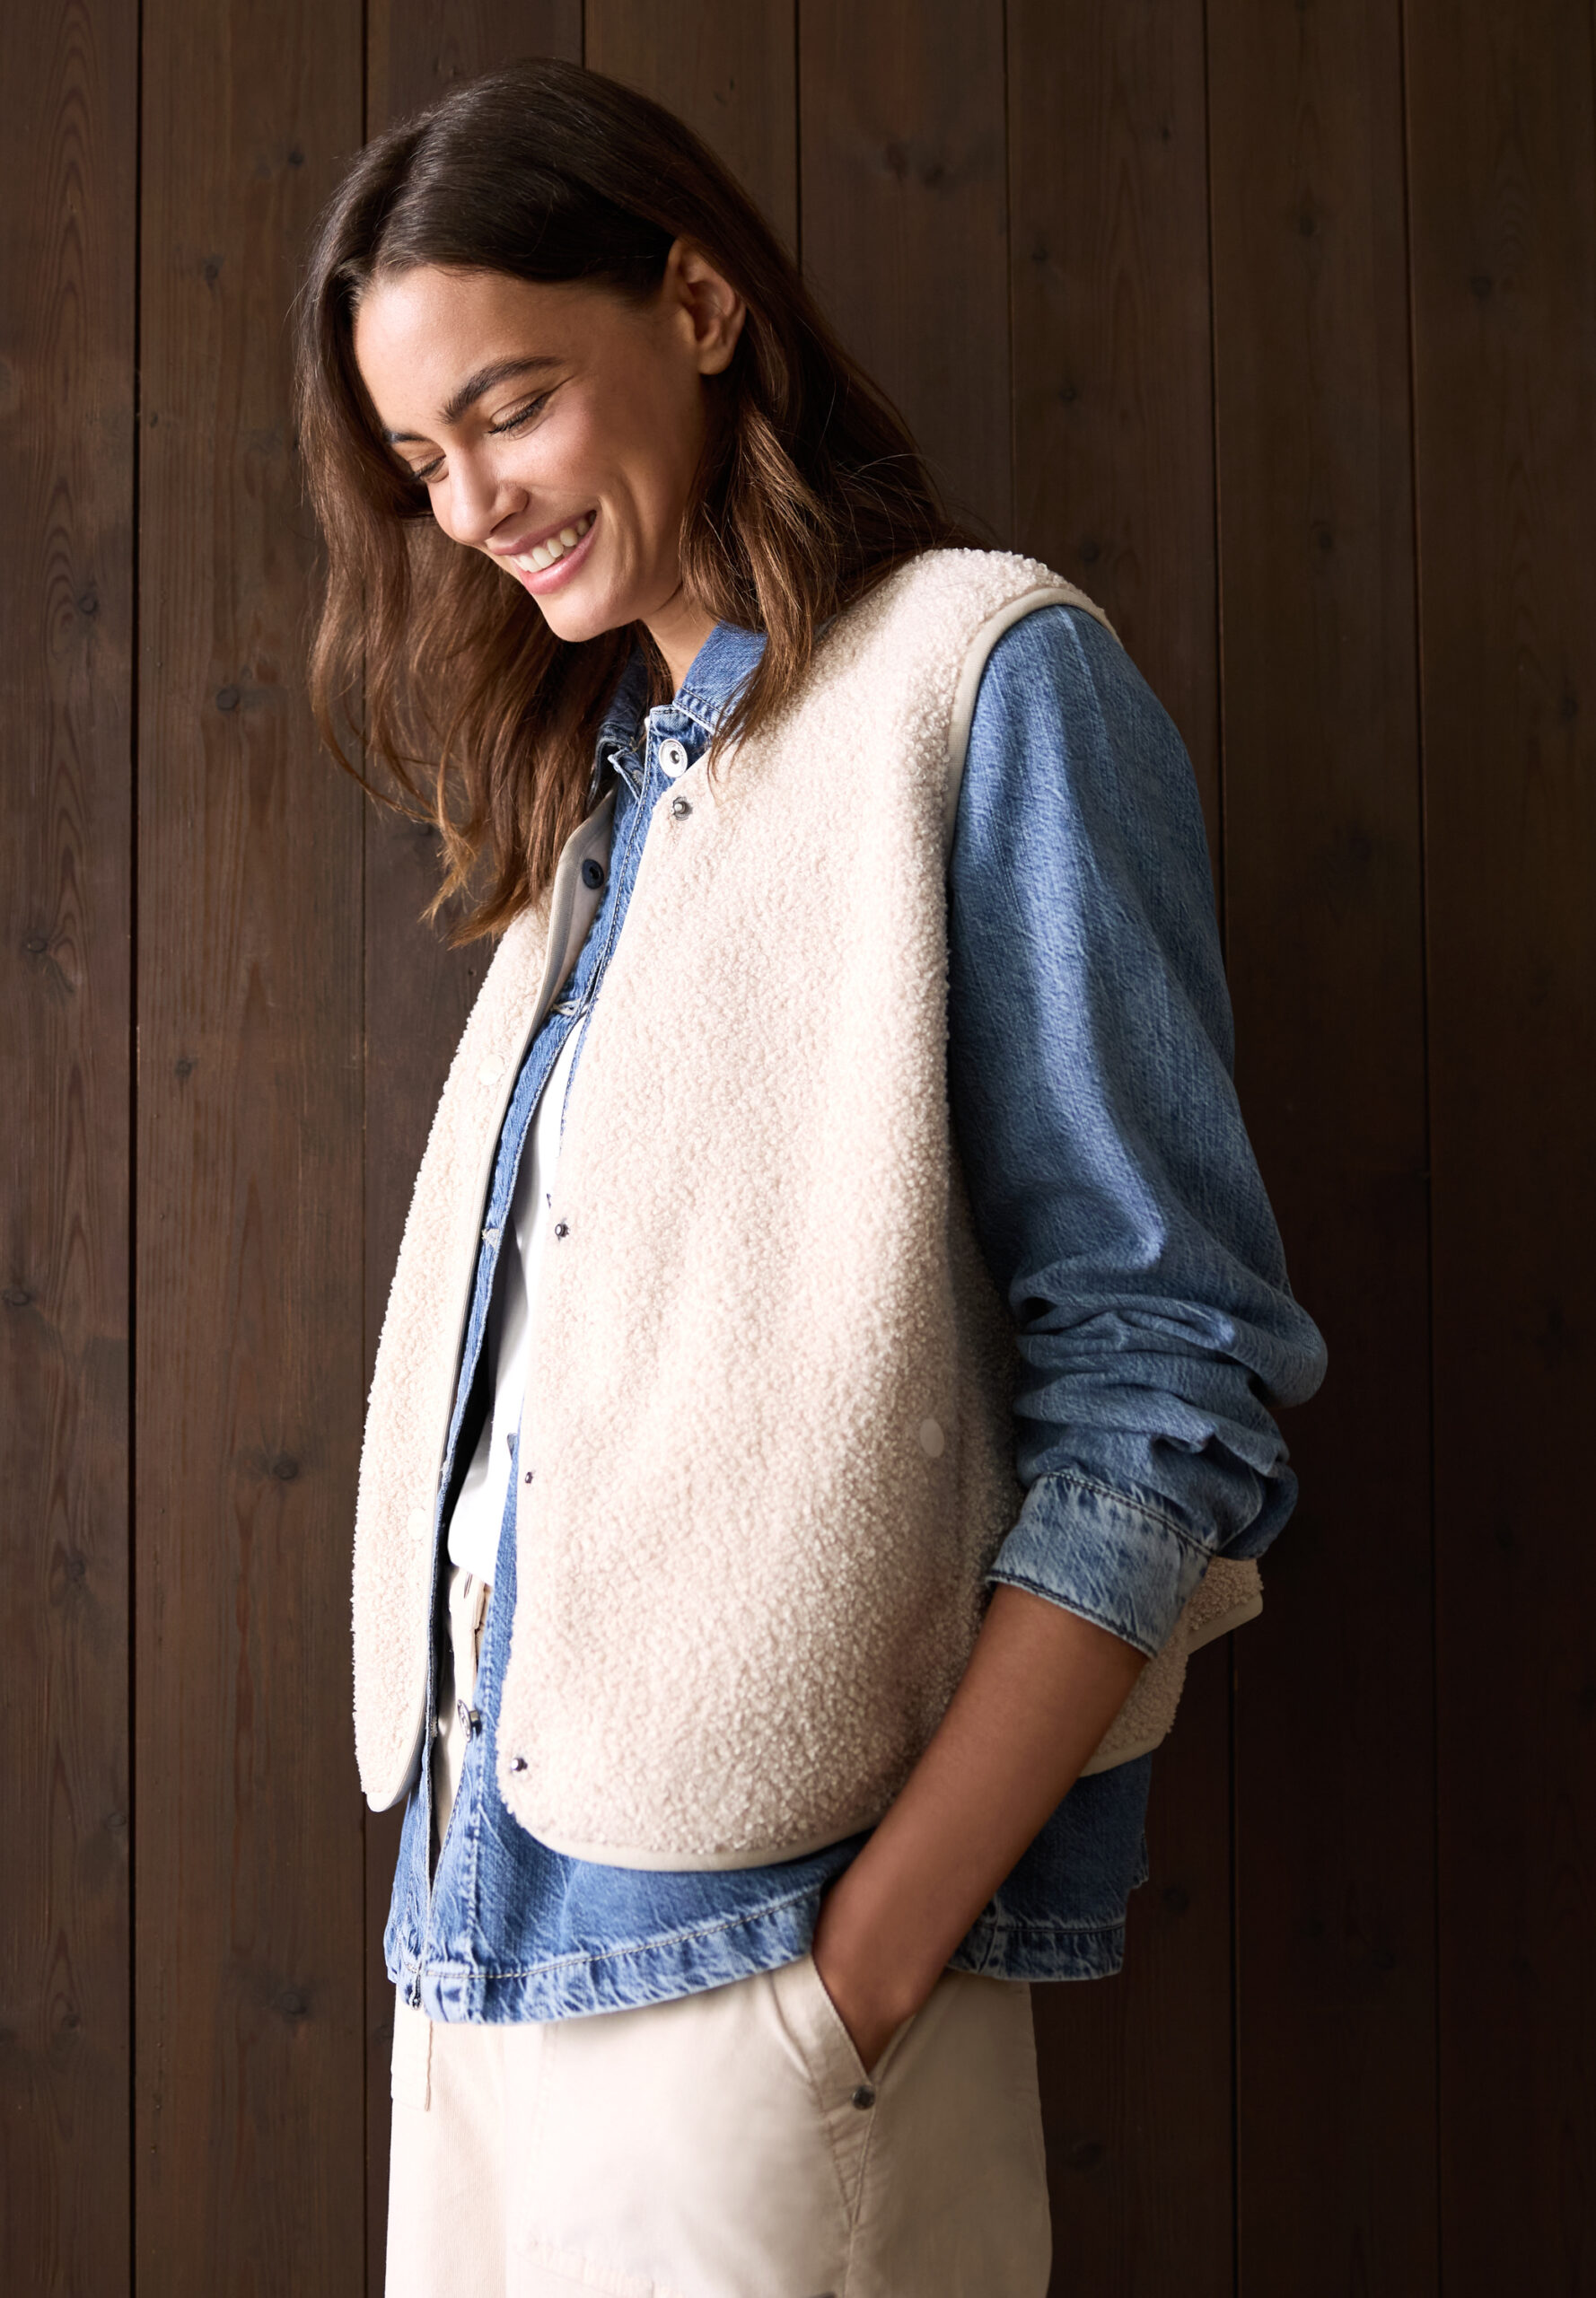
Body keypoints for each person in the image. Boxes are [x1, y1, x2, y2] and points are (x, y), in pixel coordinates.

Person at [295, 57, 1327, 2298]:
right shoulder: (602, 805)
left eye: (508, 407)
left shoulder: (984, 678)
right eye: (419, 460)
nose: (470, 502)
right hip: (473, 1959)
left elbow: (1171, 1374)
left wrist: (855, 1970)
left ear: (697, 305)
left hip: (762, 1982)